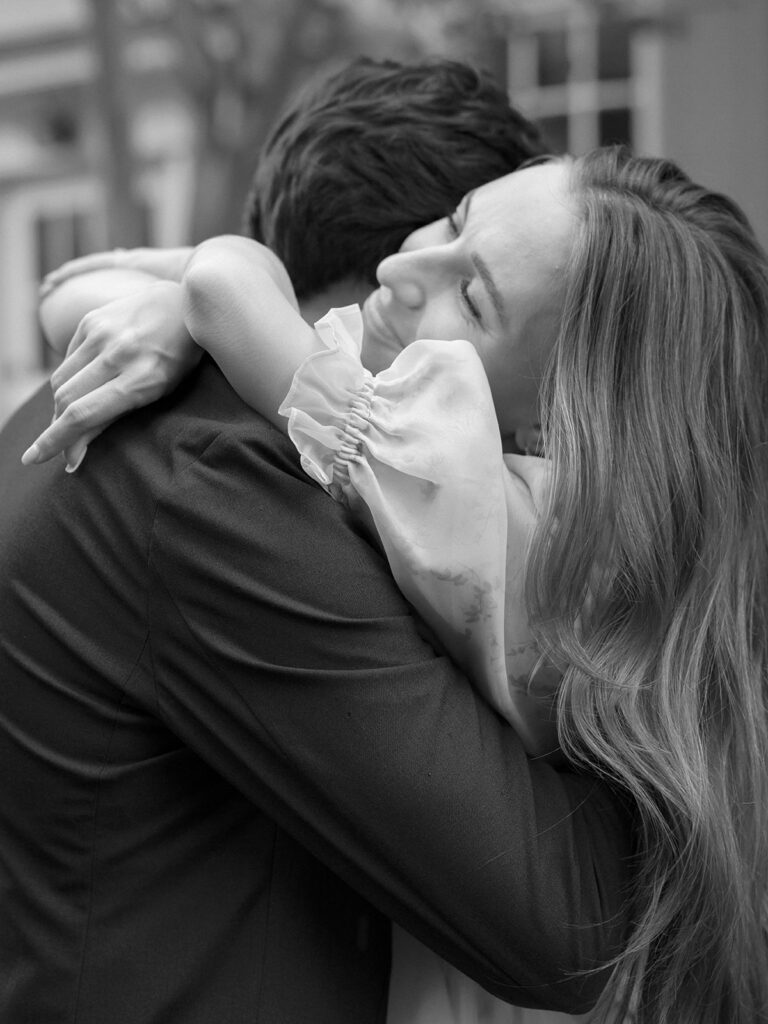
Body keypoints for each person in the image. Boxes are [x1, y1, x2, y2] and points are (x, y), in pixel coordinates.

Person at [30, 145, 768, 1024]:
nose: (399, 265)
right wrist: (181, 304)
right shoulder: (630, 565)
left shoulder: (461, 493)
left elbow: (192, 294)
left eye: (474, 297)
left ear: (556, 426)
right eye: (455, 218)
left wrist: (218, 274)